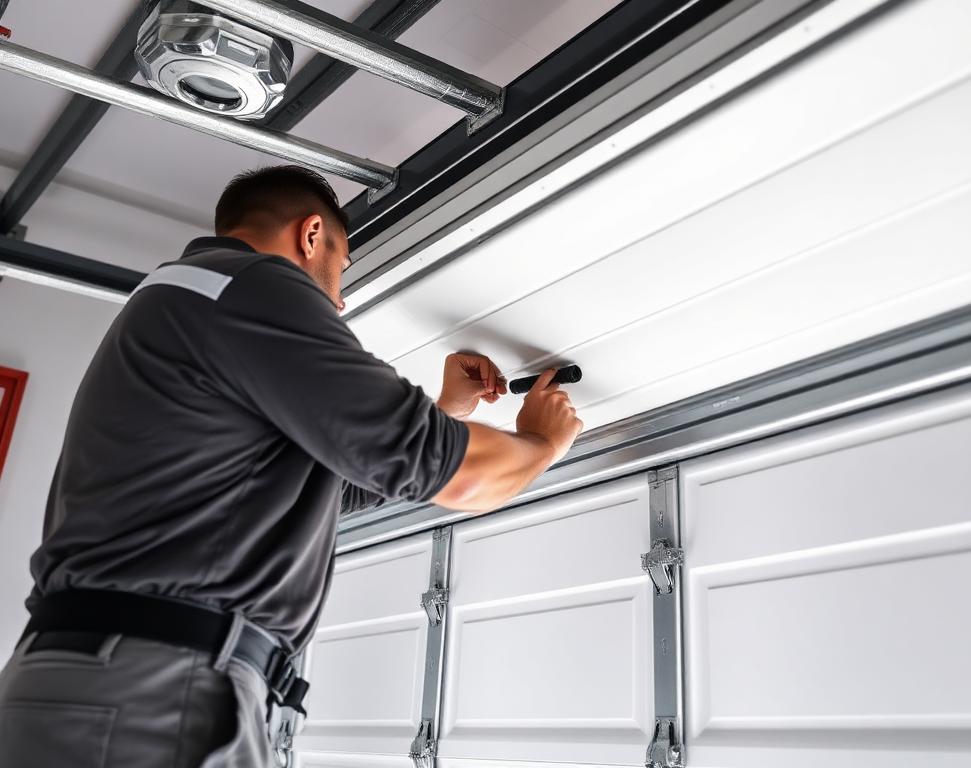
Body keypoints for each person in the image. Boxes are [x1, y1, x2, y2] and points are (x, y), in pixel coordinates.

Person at [0, 165, 582, 767]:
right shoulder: (251, 285)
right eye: (342, 267)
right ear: (311, 236)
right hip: (151, 682)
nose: (340, 298)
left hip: (116, 678)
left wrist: (444, 412)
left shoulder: (189, 296)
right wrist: (540, 443)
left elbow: (327, 486)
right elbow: (454, 473)